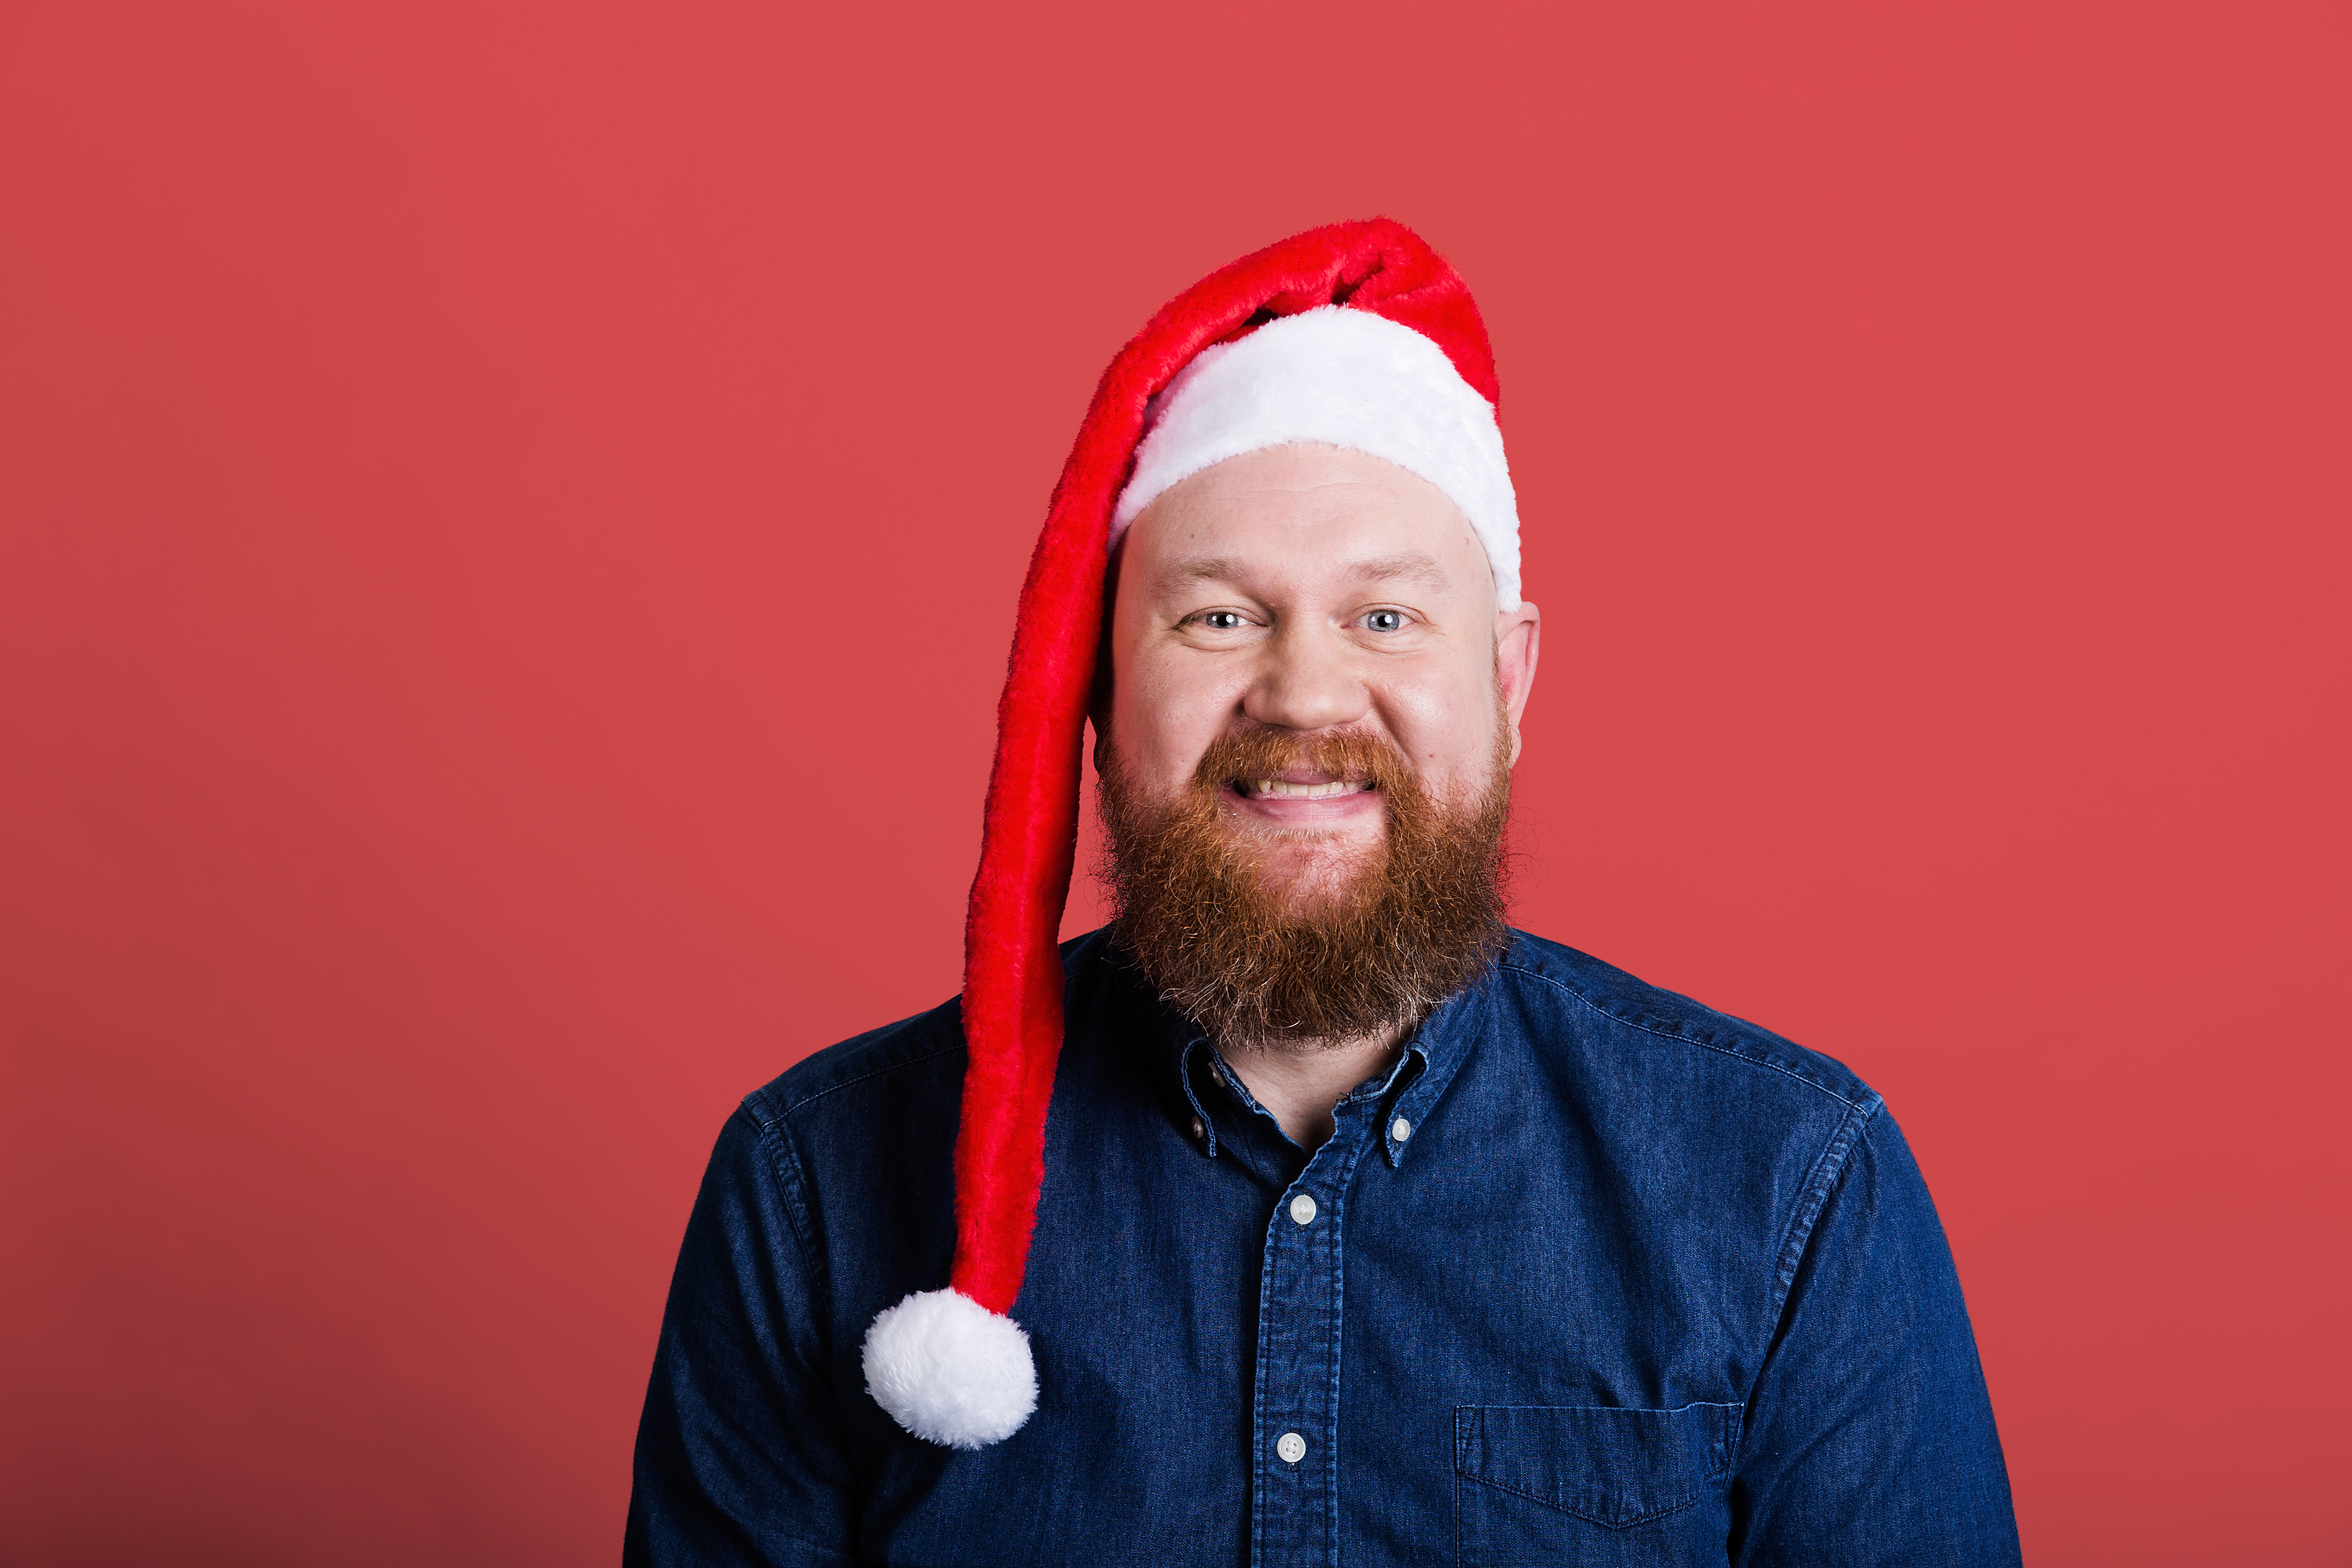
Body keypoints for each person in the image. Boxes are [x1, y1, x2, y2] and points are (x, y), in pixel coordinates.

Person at [625, 220, 2020, 1566]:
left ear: (1509, 679)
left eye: (1386, 618)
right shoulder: (815, 1189)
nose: (1301, 694)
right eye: (1219, 616)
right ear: (1102, 688)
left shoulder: (1791, 1185)